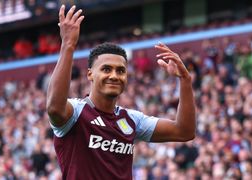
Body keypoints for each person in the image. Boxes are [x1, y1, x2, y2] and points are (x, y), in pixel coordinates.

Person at [46, 5, 196, 180]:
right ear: (90, 74)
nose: (114, 76)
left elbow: (184, 131)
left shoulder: (131, 120)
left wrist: (185, 80)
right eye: (106, 69)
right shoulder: (76, 113)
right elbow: (55, 108)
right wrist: (68, 45)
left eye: (120, 71)